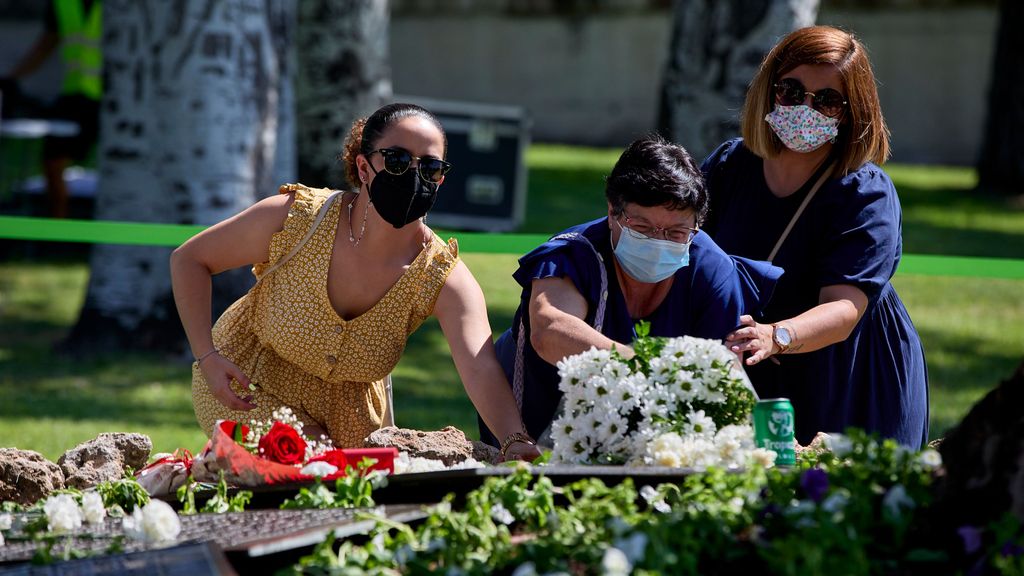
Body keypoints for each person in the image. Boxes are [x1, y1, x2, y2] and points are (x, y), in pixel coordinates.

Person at [171, 103, 541, 462]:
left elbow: (480, 367)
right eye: (397, 160)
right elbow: (189, 259)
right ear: (364, 167)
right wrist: (207, 356)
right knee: (312, 463)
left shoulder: (440, 273)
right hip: (248, 387)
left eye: (429, 168)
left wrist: (514, 440)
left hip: (352, 420)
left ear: (441, 178)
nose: (413, 176)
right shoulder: (298, 217)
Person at [700, 26, 929, 448]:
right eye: (791, 90)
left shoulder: (865, 192)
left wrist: (777, 336)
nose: (806, 108)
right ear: (769, 91)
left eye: (827, 101)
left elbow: (844, 308)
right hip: (752, 356)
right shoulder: (730, 166)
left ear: (851, 112)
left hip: (847, 373)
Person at [480, 135, 782, 447]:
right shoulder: (572, 254)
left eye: (676, 232)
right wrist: (652, 366)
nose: (658, 241)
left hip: (651, 447)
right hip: (529, 434)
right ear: (613, 211)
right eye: (642, 228)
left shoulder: (710, 269)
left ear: (697, 225)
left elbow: (722, 372)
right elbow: (551, 331)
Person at [2, 0, 102, 219]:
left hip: (117, 99)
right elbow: (48, 41)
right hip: (76, 93)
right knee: (52, 160)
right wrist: (14, 78)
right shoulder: (63, 4)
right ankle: (59, 226)